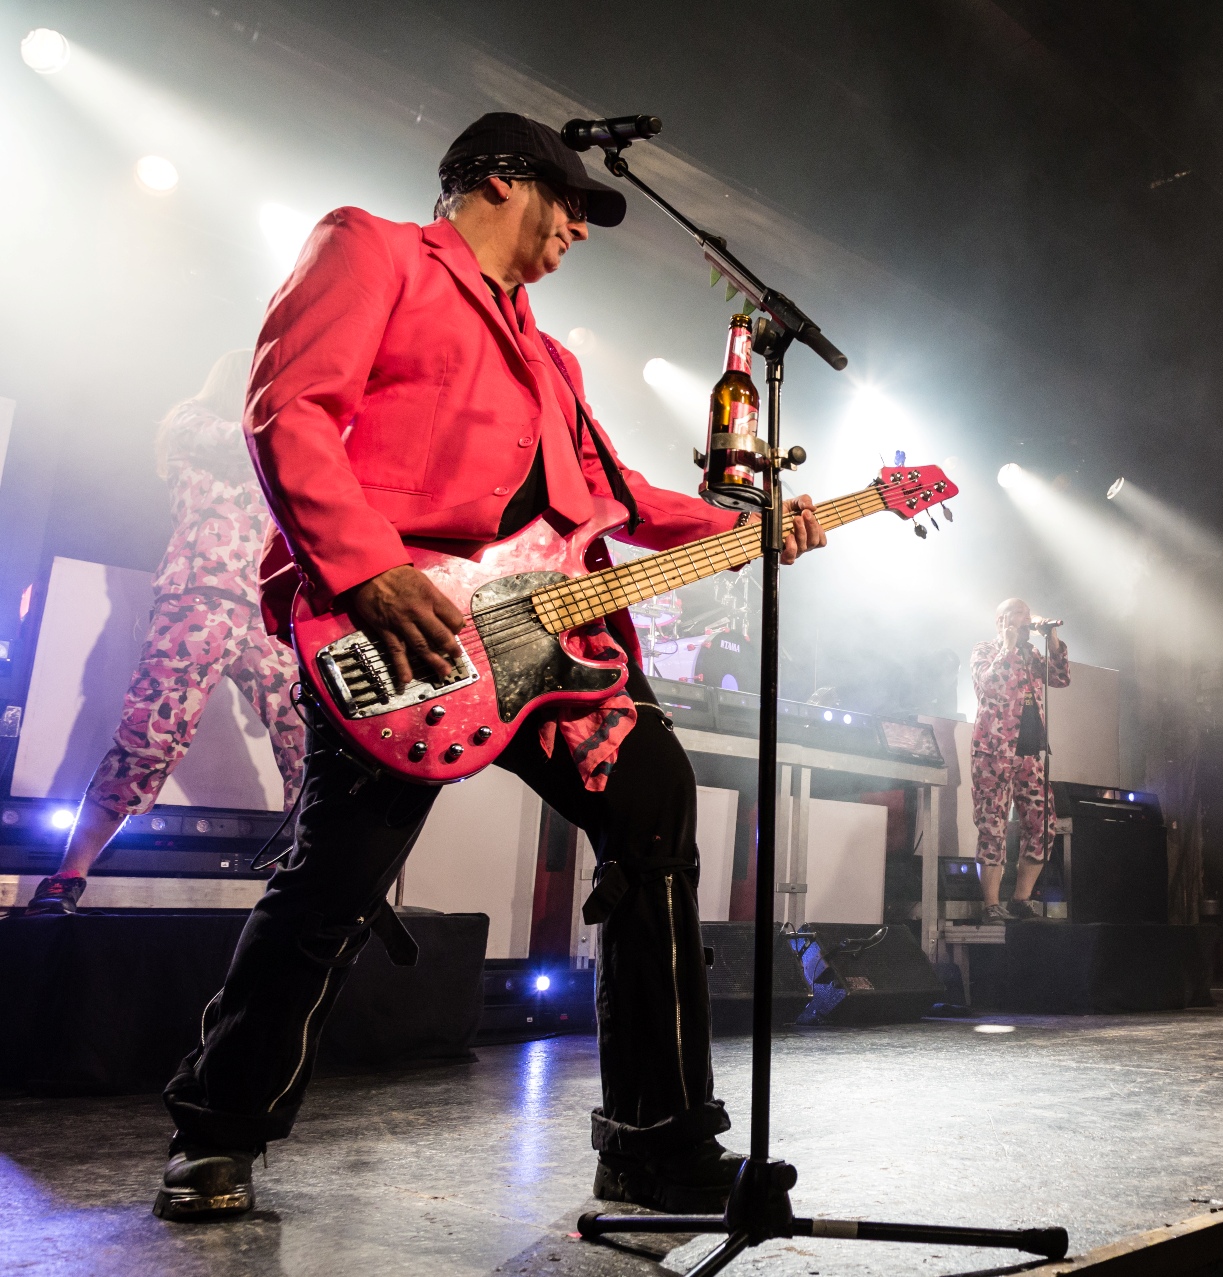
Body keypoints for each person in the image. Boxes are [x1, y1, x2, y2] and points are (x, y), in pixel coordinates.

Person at [153, 113, 827, 1222]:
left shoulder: (552, 357)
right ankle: (216, 1130)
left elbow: (617, 498)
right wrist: (367, 570)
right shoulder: (370, 248)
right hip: (402, 626)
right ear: (503, 181)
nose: (580, 230)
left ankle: (656, 1144)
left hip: (553, 642)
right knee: (334, 880)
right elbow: (290, 410)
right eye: (571, 204)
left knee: (655, 803)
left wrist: (750, 524)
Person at [20, 352, 306, 917]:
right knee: (149, 738)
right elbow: (253, 439)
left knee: (306, 734)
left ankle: (298, 870)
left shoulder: (271, 456)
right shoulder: (192, 424)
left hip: (259, 612)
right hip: (198, 597)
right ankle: (67, 876)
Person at [968, 598, 1069, 922]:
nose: (1026, 620)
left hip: (1029, 755)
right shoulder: (985, 650)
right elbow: (989, 686)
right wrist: (1008, 648)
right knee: (992, 828)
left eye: (1028, 615)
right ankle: (991, 905)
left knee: (1043, 827)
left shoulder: (1032, 654)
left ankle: (1020, 900)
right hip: (994, 753)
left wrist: (1052, 638)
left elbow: (1060, 677)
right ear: (1001, 621)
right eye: (1018, 615)